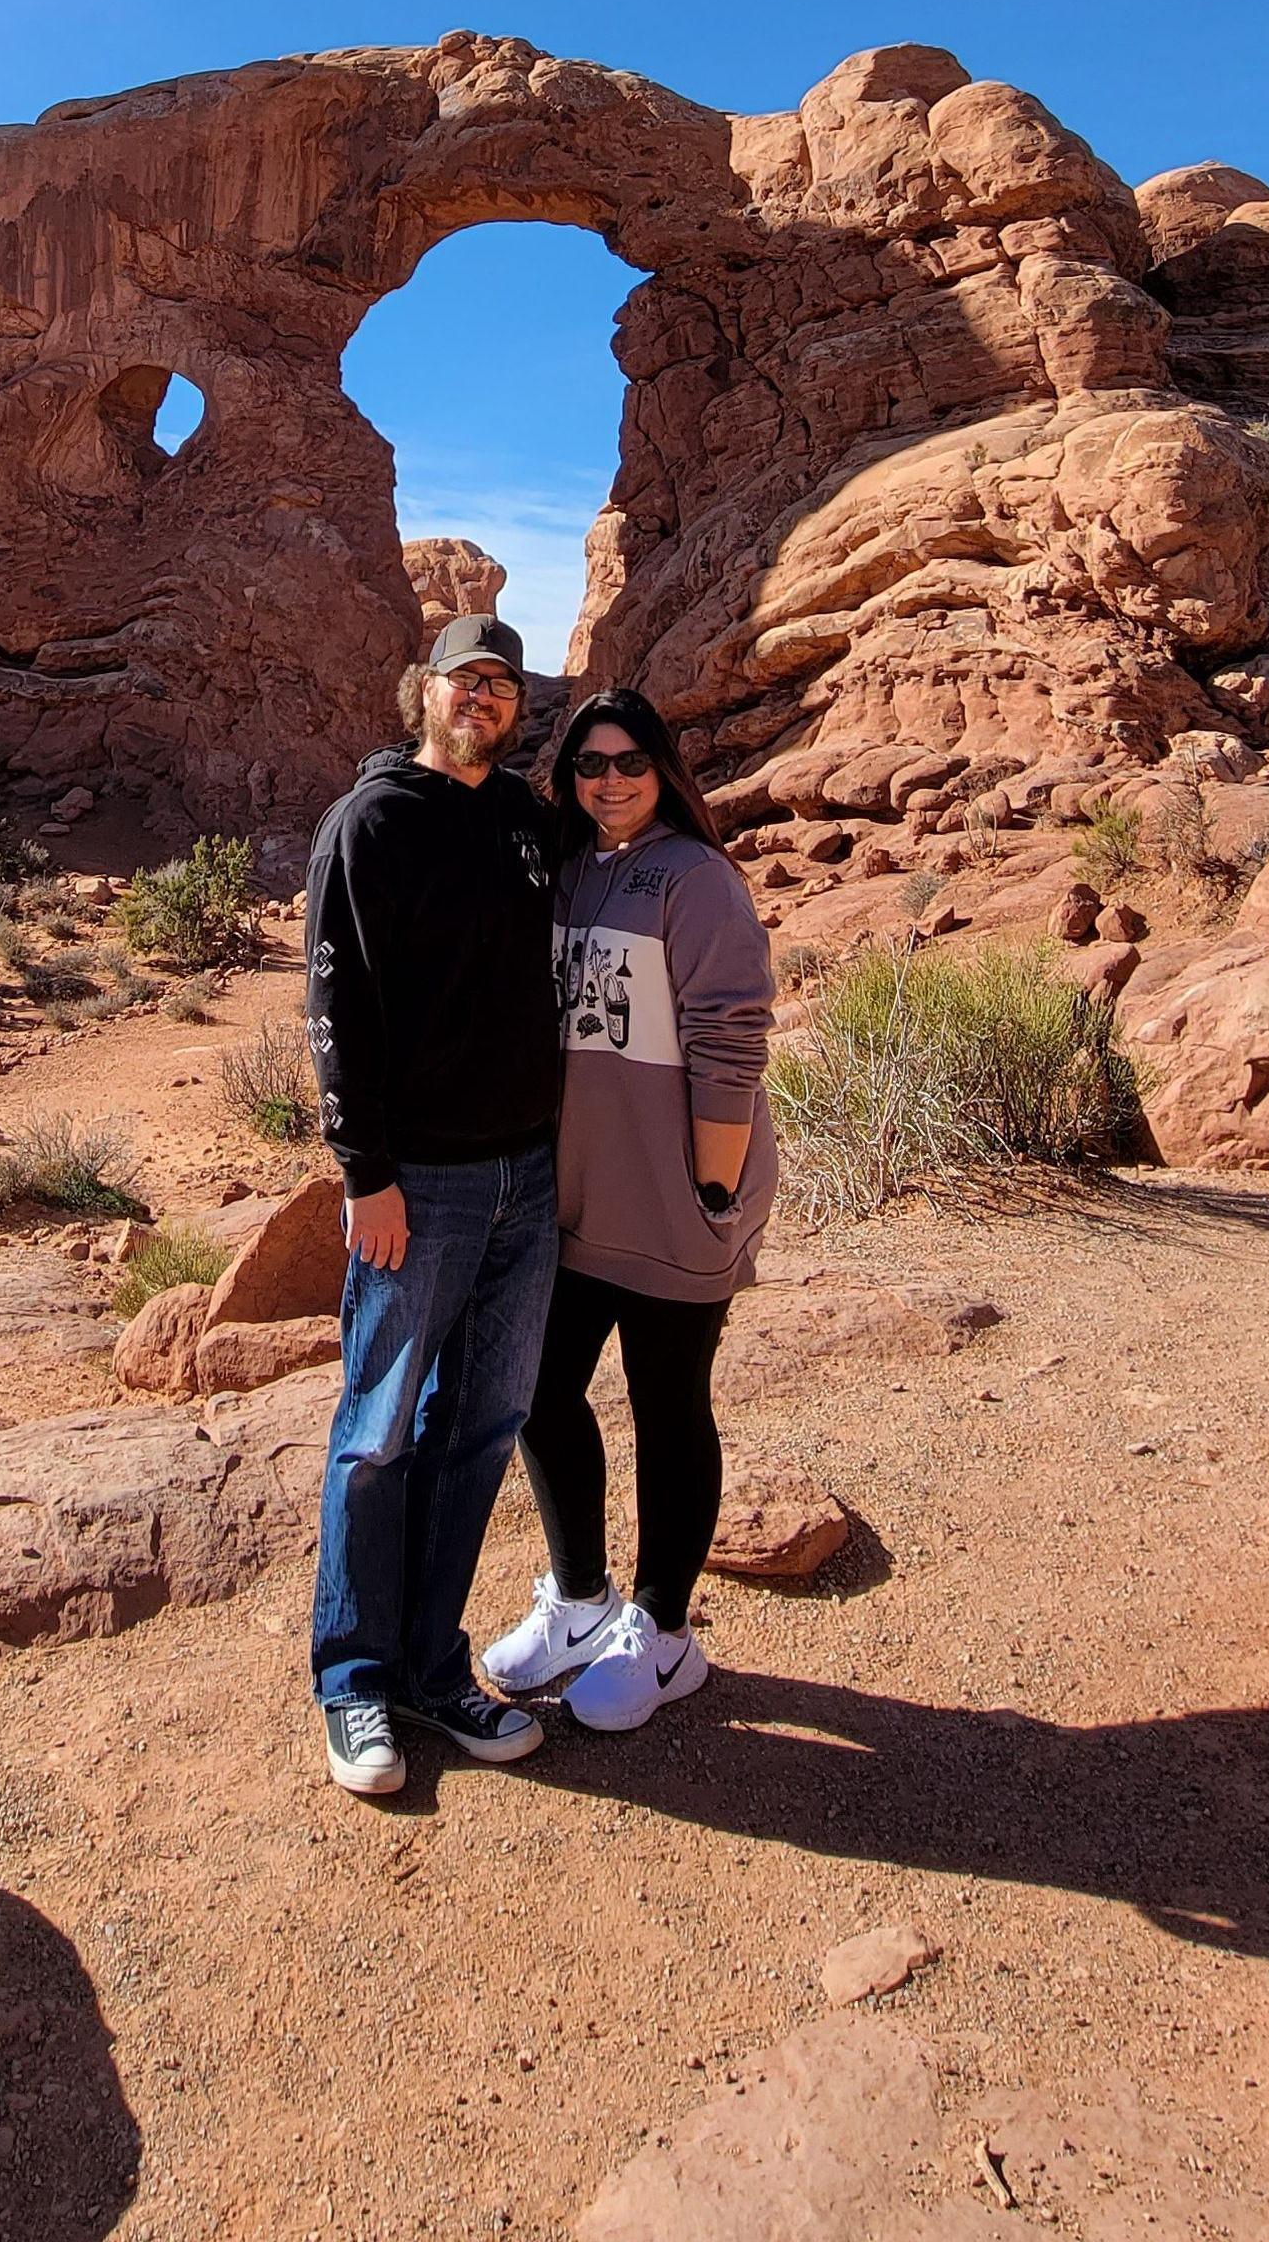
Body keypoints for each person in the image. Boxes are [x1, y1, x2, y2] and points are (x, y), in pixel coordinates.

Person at [303, 611, 564, 1796]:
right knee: (376, 1432)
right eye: (467, 679)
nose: (485, 698)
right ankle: (352, 1679)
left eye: (502, 683)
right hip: (426, 1185)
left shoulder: (522, 823)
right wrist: (366, 1176)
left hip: (525, 1175)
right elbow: (336, 1006)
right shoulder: (371, 822)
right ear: (425, 690)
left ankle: (430, 1662)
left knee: (481, 1428)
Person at [484, 687, 777, 1732]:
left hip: (673, 1197)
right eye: (589, 764)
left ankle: (662, 1633)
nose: (609, 780)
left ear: (662, 769)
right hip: (573, 1204)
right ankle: (576, 1600)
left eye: (629, 761)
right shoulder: (567, 869)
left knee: (667, 1403)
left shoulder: (693, 878)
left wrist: (710, 1184)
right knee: (536, 1390)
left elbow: (732, 1034)